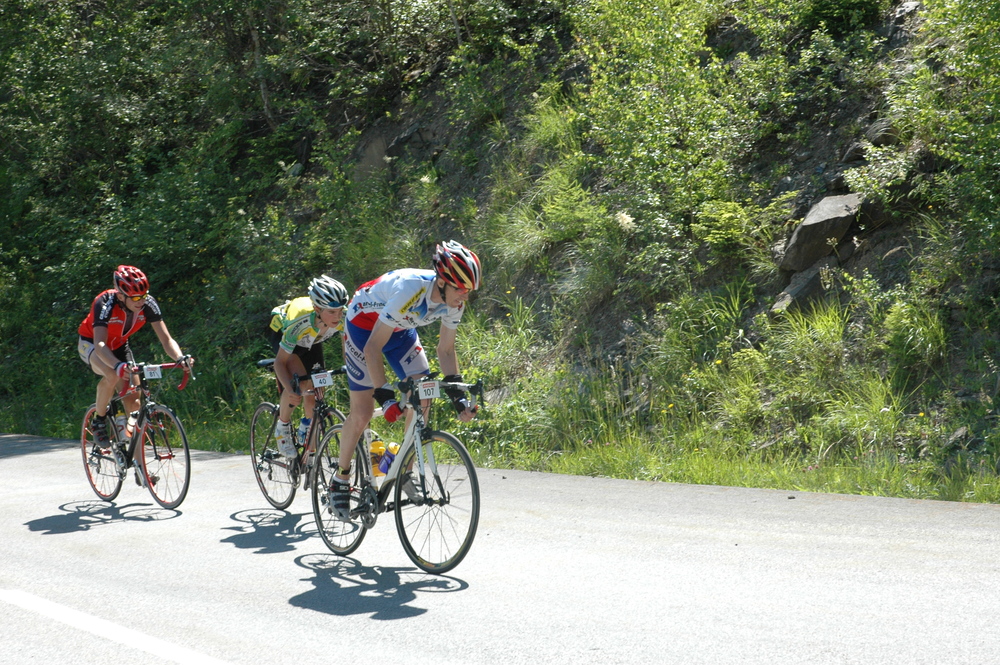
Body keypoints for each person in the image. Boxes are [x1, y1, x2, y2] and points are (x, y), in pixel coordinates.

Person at [331, 240, 481, 520]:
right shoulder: (409, 290)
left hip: (400, 330)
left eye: (468, 290)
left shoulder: (453, 302)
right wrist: (384, 394)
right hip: (363, 328)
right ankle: (340, 478)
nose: (464, 296)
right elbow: (373, 348)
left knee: (423, 392)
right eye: (460, 289)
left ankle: (402, 469)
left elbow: (446, 350)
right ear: (442, 282)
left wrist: (458, 397)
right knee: (363, 411)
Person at [77, 265, 191, 450]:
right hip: (92, 344)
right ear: (121, 295)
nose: (141, 301)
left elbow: (166, 339)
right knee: (112, 375)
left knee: (135, 402)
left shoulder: (148, 303)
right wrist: (117, 365)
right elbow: (99, 344)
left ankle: (140, 467)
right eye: (136, 298)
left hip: (120, 346)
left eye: (144, 295)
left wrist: (180, 357)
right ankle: (99, 420)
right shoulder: (105, 302)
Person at [267, 275, 349, 459]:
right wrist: (291, 389)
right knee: (301, 385)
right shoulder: (300, 320)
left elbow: (348, 351)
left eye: (340, 310)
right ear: (317, 308)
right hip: (284, 333)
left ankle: (307, 428)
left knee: (318, 387)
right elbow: (279, 363)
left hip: (312, 338)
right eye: (332, 311)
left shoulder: (342, 316)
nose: (338, 316)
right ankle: (283, 427)